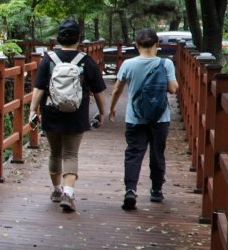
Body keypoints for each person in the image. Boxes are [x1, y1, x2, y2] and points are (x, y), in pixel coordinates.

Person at [29, 19, 108, 213]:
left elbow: (39, 88)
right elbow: (98, 91)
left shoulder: (48, 59)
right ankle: (69, 194)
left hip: (51, 111)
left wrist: (32, 111)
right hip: (76, 113)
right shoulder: (85, 60)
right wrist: (102, 112)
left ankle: (57, 190)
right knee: (71, 154)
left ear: (58, 38)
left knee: (55, 153)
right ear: (79, 38)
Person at [109, 28, 179, 209]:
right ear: (157, 44)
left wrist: (111, 109)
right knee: (157, 154)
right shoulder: (166, 64)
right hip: (160, 118)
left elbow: (116, 89)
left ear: (136, 45)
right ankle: (156, 190)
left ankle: (130, 190)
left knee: (134, 153)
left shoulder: (128, 64)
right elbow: (172, 89)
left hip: (135, 117)